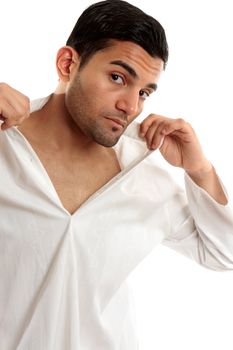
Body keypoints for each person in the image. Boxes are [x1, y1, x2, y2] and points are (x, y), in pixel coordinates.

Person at [0, 1, 233, 349]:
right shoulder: (4, 141)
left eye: (143, 92)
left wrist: (199, 170)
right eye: (117, 78)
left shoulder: (144, 176)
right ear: (68, 64)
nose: (132, 106)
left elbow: (224, 254)